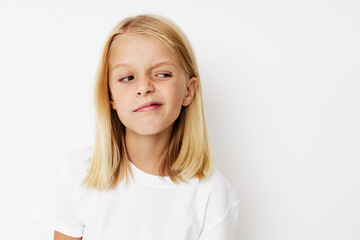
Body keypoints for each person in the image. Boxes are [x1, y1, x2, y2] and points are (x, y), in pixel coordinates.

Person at [31, 13, 240, 240]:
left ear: (188, 91)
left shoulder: (213, 194)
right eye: (128, 78)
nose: (144, 87)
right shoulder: (79, 173)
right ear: (110, 96)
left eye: (162, 74)